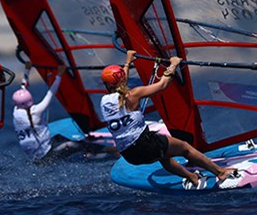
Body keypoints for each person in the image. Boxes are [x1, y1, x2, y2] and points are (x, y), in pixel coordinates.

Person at [100, 50, 237, 190]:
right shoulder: (133, 94)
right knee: (185, 148)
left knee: (164, 156)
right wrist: (173, 64)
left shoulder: (104, 102)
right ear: (122, 79)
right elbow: (163, 85)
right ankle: (220, 173)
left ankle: (192, 178)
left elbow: (120, 83)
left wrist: (128, 62)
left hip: (129, 155)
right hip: (145, 144)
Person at [13, 63, 115, 162]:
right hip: (45, 158)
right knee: (74, 144)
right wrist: (59, 75)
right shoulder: (36, 112)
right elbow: (51, 93)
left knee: (59, 137)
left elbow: (23, 86)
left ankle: (91, 151)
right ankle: (108, 152)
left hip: (36, 155)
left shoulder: (16, 111)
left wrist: (27, 70)